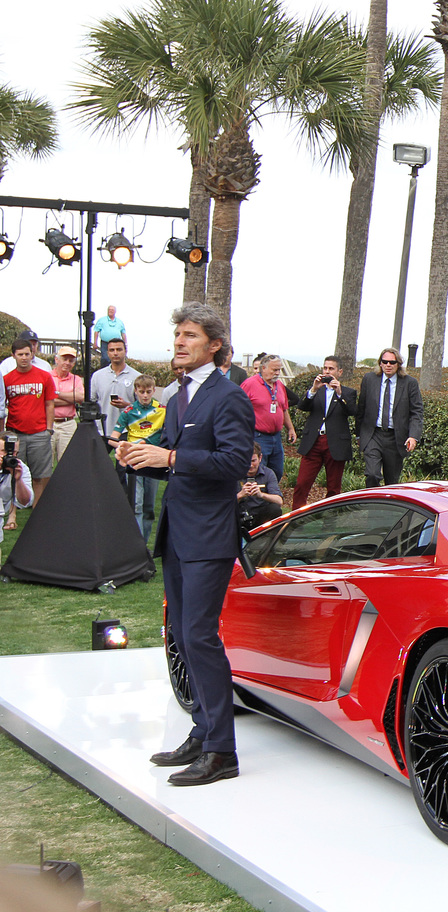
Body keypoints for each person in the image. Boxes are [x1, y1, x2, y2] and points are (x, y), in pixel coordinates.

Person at [119, 303, 254, 786]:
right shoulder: (178, 397)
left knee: (198, 634)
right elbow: (176, 462)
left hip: (210, 537)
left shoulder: (230, 397)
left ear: (213, 345)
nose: (179, 341)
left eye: (190, 335)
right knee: (180, 635)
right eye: (177, 333)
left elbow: (235, 463)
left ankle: (223, 751)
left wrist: (170, 454)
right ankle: (202, 731)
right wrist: (142, 458)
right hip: (177, 535)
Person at [293, 356, 357, 507]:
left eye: (331, 369)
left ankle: (330, 520)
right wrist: (314, 389)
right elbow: (302, 406)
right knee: (302, 483)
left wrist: (340, 393)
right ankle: (295, 517)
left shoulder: (348, 392)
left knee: (334, 488)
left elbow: (352, 410)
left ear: (339, 372)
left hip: (334, 443)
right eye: (325, 368)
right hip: (313, 442)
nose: (327, 372)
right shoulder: (316, 390)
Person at [110, 374, 166, 543]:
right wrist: (124, 447)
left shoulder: (162, 410)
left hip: (154, 462)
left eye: (148, 391)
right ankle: (137, 546)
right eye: (141, 392)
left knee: (149, 507)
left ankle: (144, 543)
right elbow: (113, 438)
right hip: (134, 462)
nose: (145, 395)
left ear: (154, 390)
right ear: (135, 391)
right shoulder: (128, 412)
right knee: (136, 504)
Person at [3, 337, 56, 515]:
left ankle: (37, 513)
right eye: (20, 355)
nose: (24, 358)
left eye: (27, 354)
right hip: (15, 432)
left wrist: (48, 429)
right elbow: (3, 406)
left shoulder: (44, 376)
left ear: (32, 354)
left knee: (40, 475)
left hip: (39, 433)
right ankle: (12, 514)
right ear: (13, 356)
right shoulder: (6, 379)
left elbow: (50, 403)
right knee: (12, 473)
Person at [356, 348, 422, 487]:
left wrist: (413, 436)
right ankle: (372, 504)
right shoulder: (369, 379)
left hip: (396, 438)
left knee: (391, 482)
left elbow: (416, 412)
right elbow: (361, 408)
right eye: (384, 362)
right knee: (372, 474)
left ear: (398, 364)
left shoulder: (410, 383)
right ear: (380, 363)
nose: (388, 365)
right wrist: (358, 435)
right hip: (373, 435)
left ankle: (385, 507)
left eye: (392, 362)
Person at [241, 355, 296, 478]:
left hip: (276, 437)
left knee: (277, 472)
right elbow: (237, 410)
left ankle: (272, 494)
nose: (277, 373)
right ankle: (258, 496)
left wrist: (291, 429)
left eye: (279, 370)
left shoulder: (279, 385)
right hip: (258, 436)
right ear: (263, 368)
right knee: (259, 472)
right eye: (274, 370)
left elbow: (284, 409)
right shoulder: (249, 384)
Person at [90, 340, 138, 438]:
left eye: (119, 349)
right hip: (102, 430)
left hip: (126, 431)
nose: (115, 353)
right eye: (112, 350)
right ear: (107, 353)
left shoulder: (136, 377)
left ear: (125, 351)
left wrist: (127, 405)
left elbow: (144, 407)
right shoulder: (97, 376)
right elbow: (92, 401)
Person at [49, 345, 85, 465]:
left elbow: (80, 397)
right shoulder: (47, 377)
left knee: (67, 463)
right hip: (49, 423)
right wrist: (70, 398)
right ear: (56, 359)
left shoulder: (77, 379)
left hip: (68, 424)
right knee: (46, 464)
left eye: (71, 361)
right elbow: (46, 401)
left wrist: (57, 393)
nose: (67, 363)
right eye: (64, 359)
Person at [237, 445, 283, 529]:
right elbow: (222, 504)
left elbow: (279, 501)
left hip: (260, 516)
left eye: (253, 461)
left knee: (275, 509)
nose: (250, 465)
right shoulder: (234, 474)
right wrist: (240, 495)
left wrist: (261, 494)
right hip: (238, 516)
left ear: (260, 458)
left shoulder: (268, 473)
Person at [0, 437, 34, 549]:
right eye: (5, 451)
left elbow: (25, 502)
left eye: (15, 452)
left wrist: (18, 480)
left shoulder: (20, 467)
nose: (10, 456)